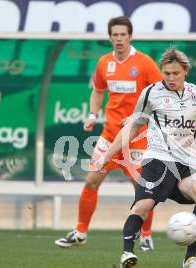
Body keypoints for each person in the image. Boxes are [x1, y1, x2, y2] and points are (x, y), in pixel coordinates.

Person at [94, 48, 196, 268]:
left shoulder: (195, 92)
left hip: (186, 165)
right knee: (143, 205)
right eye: (167, 73)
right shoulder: (151, 93)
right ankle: (127, 253)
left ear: (186, 72)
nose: (171, 78)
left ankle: (190, 258)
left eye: (176, 73)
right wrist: (106, 155)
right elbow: (132, 128)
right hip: (157, 160)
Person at [55, 16, 163, 251]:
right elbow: (97, 91)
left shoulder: (144, 63)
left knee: (144, 189)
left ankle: (145, 236)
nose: (119, 39)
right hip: (109, 135)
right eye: (114, 35)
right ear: (110, 37)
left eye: (123, 34)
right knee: (92, 180)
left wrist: (140, 117)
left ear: (130, 36)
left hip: (138, 138)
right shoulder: (104, 63)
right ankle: (81, 232)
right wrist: (92, 115)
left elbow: (161, 94)